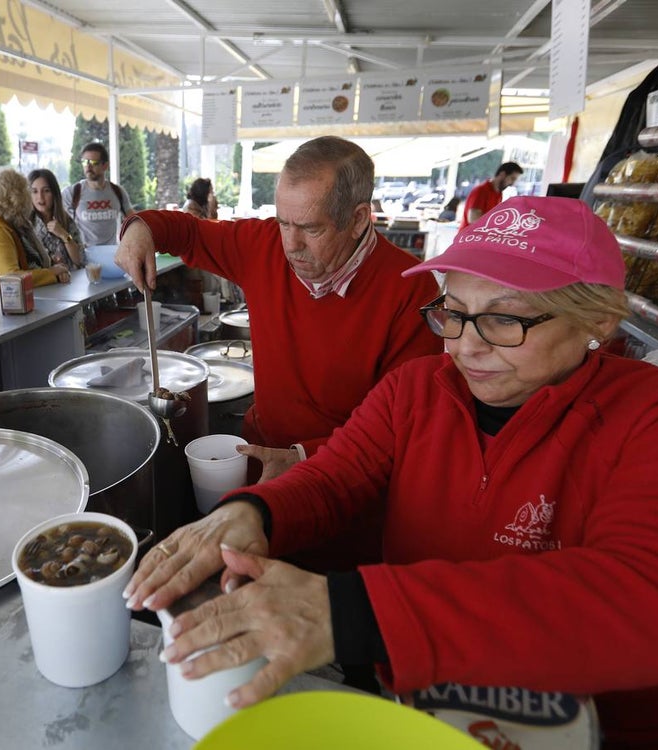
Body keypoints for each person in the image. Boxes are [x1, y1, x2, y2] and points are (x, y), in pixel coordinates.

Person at [124, 196, 658, 750]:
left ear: (599, 320)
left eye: (505, 319)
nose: (465, 346)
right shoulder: (417, 390)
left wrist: (351, 613)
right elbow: (336, 477)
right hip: (427, 711)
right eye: (452, 311)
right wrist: (251, 512)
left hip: (616, 732)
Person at [117, 136, 441, 572]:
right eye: (283, 222)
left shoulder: (409, 289)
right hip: (260, 467)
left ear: (360, 219)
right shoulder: (263, 244)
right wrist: (140, 228)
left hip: (347, 498)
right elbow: (187, 231)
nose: (290, 245)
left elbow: (406, 427)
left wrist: (303, 457)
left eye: (311, 229)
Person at [0, 166, 71, 300]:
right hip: (0, 314)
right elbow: (10, 279)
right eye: (29, 192)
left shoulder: (14, 226)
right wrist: (51, 273)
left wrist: (55, 273)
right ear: (16, 197)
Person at [62, 142, 134, 246]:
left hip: (110, 254)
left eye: (93, 162)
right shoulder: (72, 193)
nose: (88, 167)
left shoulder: (118, 192)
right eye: (85, 162)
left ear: (105, 165)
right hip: (84, 255)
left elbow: (133, 219)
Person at [28, 168, 84, 270]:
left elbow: (80, 259)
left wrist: (63, 235)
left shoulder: (66, 220)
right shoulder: (26, 225)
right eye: (34, 191)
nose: (40, 197)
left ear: (54, 193)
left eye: (46, 191)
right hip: (43, 283)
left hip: (71, 283)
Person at [461, 161, 523, 226]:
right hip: (470, 235)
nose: (512, 183)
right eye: (512, 178)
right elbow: (473, 219)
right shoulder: (481, 191)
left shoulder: (498, 194)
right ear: (502, 174)